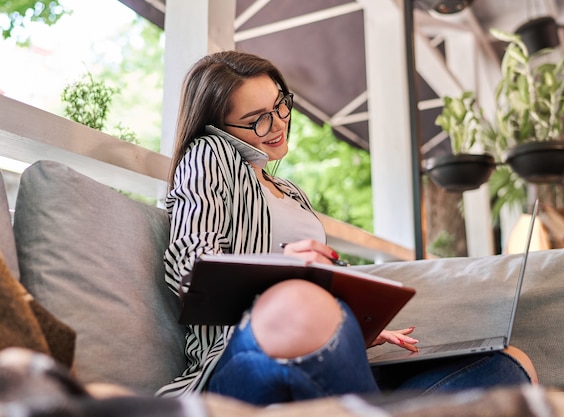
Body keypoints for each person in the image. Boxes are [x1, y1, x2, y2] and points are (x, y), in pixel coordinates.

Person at [156, 51, 537, 404]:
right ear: (219, 126)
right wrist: (282, 269)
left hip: (314, 343)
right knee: (298, 301)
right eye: (257, 119)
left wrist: (356, 322)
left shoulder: (291, 192)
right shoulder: (209, 153)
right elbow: (190, 266)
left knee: (507, 364)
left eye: (280, 106)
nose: (278, 125)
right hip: (240, 357)